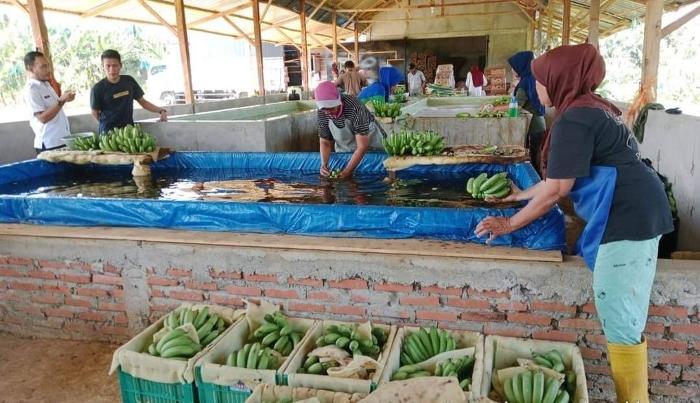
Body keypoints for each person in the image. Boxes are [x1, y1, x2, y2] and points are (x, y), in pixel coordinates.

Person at [475, 44, 673, 403]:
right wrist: (519, 196)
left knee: (620, 320)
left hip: (625, 216)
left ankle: (634, 398)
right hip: (640, 209)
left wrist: (509, 223)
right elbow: (559, 179)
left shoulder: (575, 119)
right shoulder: (596, 109)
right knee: (624, 316)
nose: (535, 89)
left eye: (539, 81)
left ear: (557, 80)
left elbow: (557, 191)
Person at [315, 81, 385, 179]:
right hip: (347, 147)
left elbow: (362, 146)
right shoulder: (322, 111)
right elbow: (325, 141)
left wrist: (347, 171)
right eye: (325, 109)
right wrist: (324, 164)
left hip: (371, 143)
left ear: (338, 101)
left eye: (331, 108)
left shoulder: (354, 106)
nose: (328, 112)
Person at [91, 49, 167, 134]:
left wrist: (161, 111)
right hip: (108, 134)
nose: (112, 70)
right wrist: (106, 124)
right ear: (103, 67)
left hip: (129, 132)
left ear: (120, 65)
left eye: (115, 65)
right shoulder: (97, 88)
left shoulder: (129, 81)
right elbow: (95, 112)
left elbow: (143, 102)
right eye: (108, 66)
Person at [23, 51, 75, 154]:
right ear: (30, 68)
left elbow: (55, 108)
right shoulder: (31, 90)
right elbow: (42, 118)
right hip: (49, 144)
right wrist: (61, 100)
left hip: (61, 140)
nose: (48, 70)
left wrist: (64, 100)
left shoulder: (46, 85)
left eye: (48, 66)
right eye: (43, 67)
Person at [508, 51, 547, 173]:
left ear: (521, 66)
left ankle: (534, 179)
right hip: (539, 122)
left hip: (533, 125)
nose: (512, 71)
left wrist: (496, 109)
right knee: (537, 153)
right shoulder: (533, 78)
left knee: (533, 155)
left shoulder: (525, 82)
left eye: (513, 68)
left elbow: (517, 105)